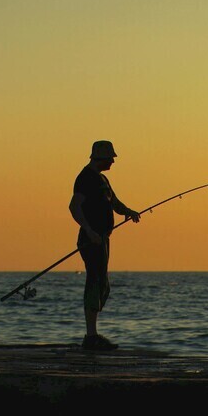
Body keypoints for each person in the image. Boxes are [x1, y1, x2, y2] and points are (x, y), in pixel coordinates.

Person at [69, 140, 140, 350]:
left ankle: (93, 335)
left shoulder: (103, 179)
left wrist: (129, 212)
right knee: (95, 281)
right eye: (110, 158)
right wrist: (89, 231)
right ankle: (91, 337)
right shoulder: (85, 178)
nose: (113, 162)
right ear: (101, 158)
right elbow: (74, 207)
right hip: (90, 239)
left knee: (102, 285)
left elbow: (114, 203)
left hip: (102, 238)